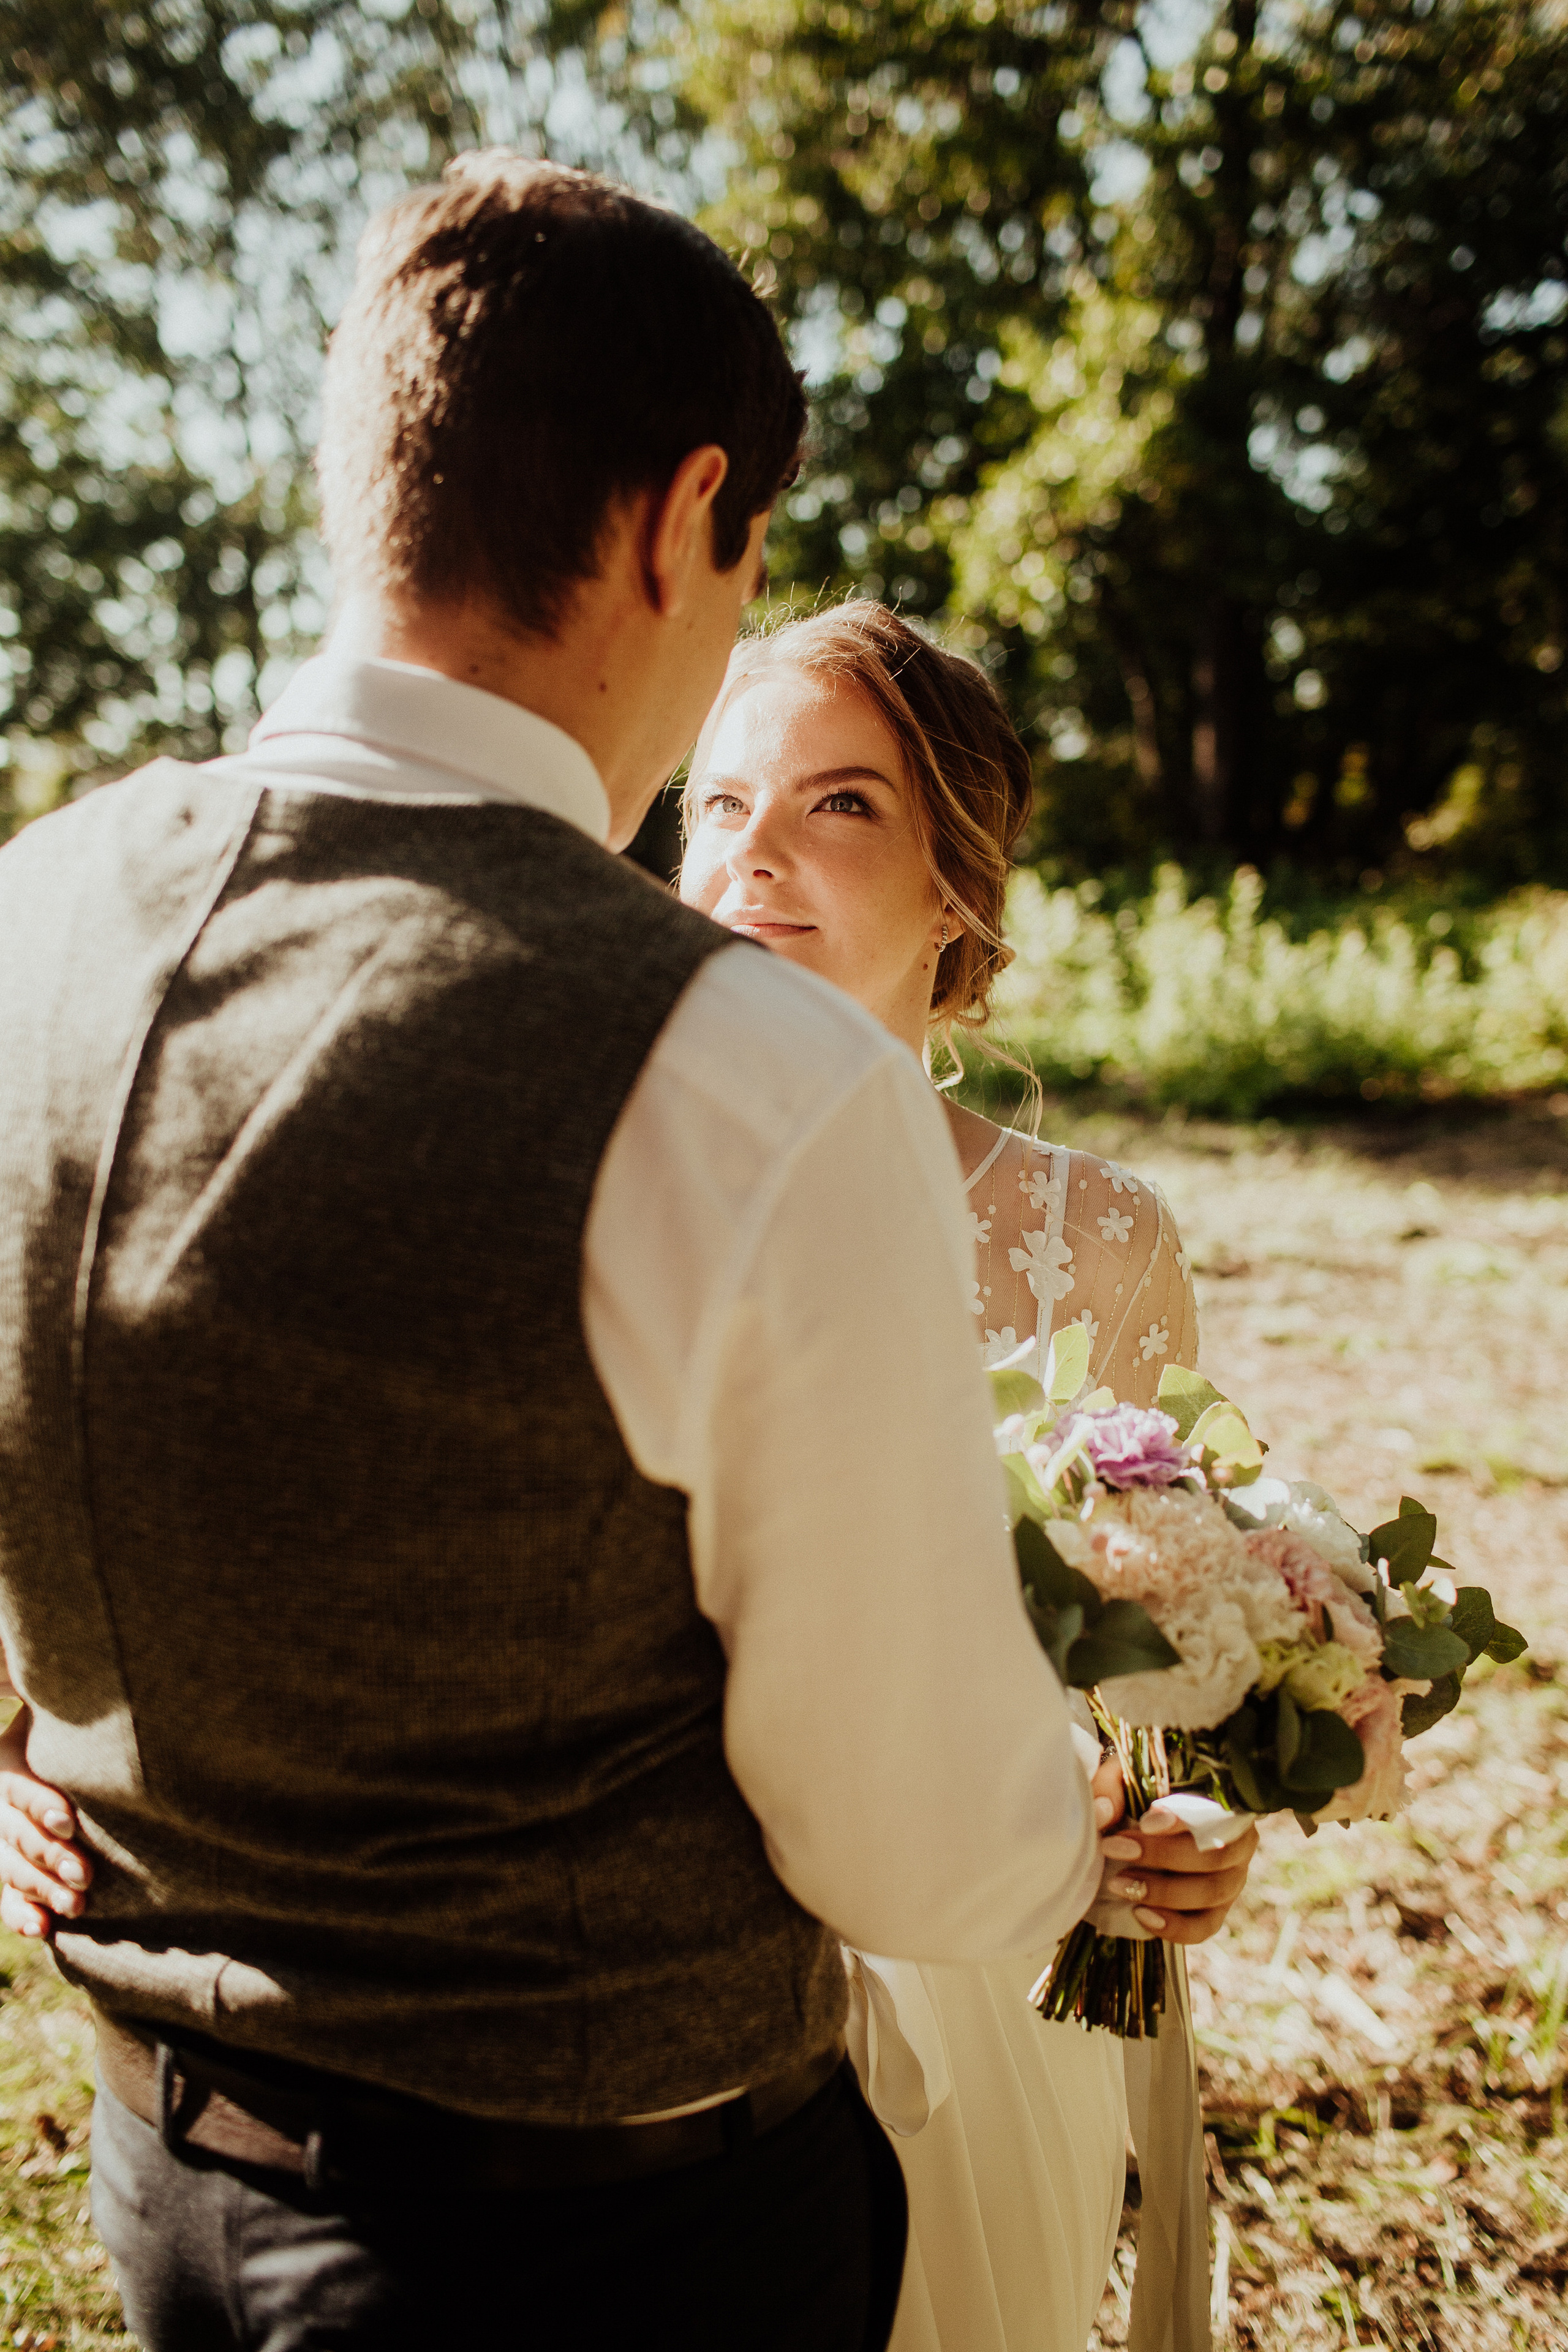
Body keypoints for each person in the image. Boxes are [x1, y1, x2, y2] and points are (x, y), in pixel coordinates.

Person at [0, 152, 1156, 2352]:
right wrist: (1070, 1846)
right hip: (600, 2256)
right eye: (745, 576)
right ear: (678, 518)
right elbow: (906, 1843)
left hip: (164, 2188)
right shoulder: (745, 1080)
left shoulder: (29, 918)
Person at [676, 599, 1259, 2352]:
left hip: (1004, 1972)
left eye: (838, 804)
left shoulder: (1100, 1239)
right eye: (717, 802)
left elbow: (1181, 1673)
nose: (753, 855)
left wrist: (1198, 1834)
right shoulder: (609, 1180)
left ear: (959, 881)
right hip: (683, 1974)